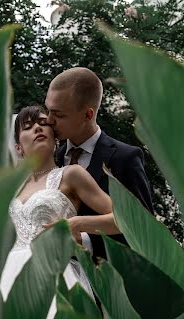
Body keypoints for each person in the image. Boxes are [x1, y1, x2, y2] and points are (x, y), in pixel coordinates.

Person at [0, 105, 118, 319]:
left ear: (55, 138)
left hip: (55, 275)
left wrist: (77, 224)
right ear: (18, 147)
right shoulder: (10, 189)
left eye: (43, 123)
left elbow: (123, 219)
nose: (37, 128)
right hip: (10, 277)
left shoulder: (70, 174)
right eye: (28, 126)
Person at [45, 67, 153, 260]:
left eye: (59, 115)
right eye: (48, 110)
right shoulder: (51, 159)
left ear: (88, 115)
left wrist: (85, 240)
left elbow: (144, 230)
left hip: (105, 282)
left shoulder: (125, 158)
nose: (49, 121)